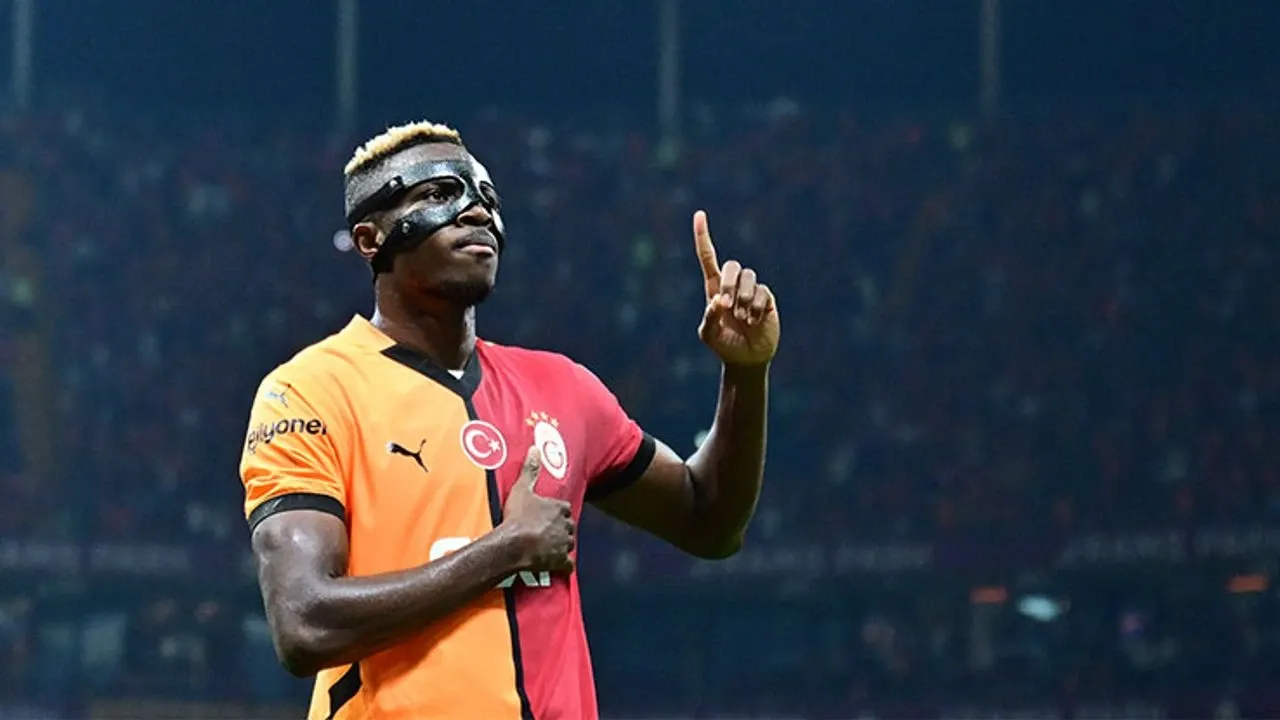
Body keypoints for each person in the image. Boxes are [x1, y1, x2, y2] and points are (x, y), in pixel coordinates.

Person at [238, 120, 780, 720]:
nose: (477, 211)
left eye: (487, 197)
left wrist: (745, 372)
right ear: (370, 239)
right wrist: (505, 549)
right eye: (439, 193)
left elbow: (710, 522)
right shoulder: (309, 391)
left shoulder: (564, 389)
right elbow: (303, 623)